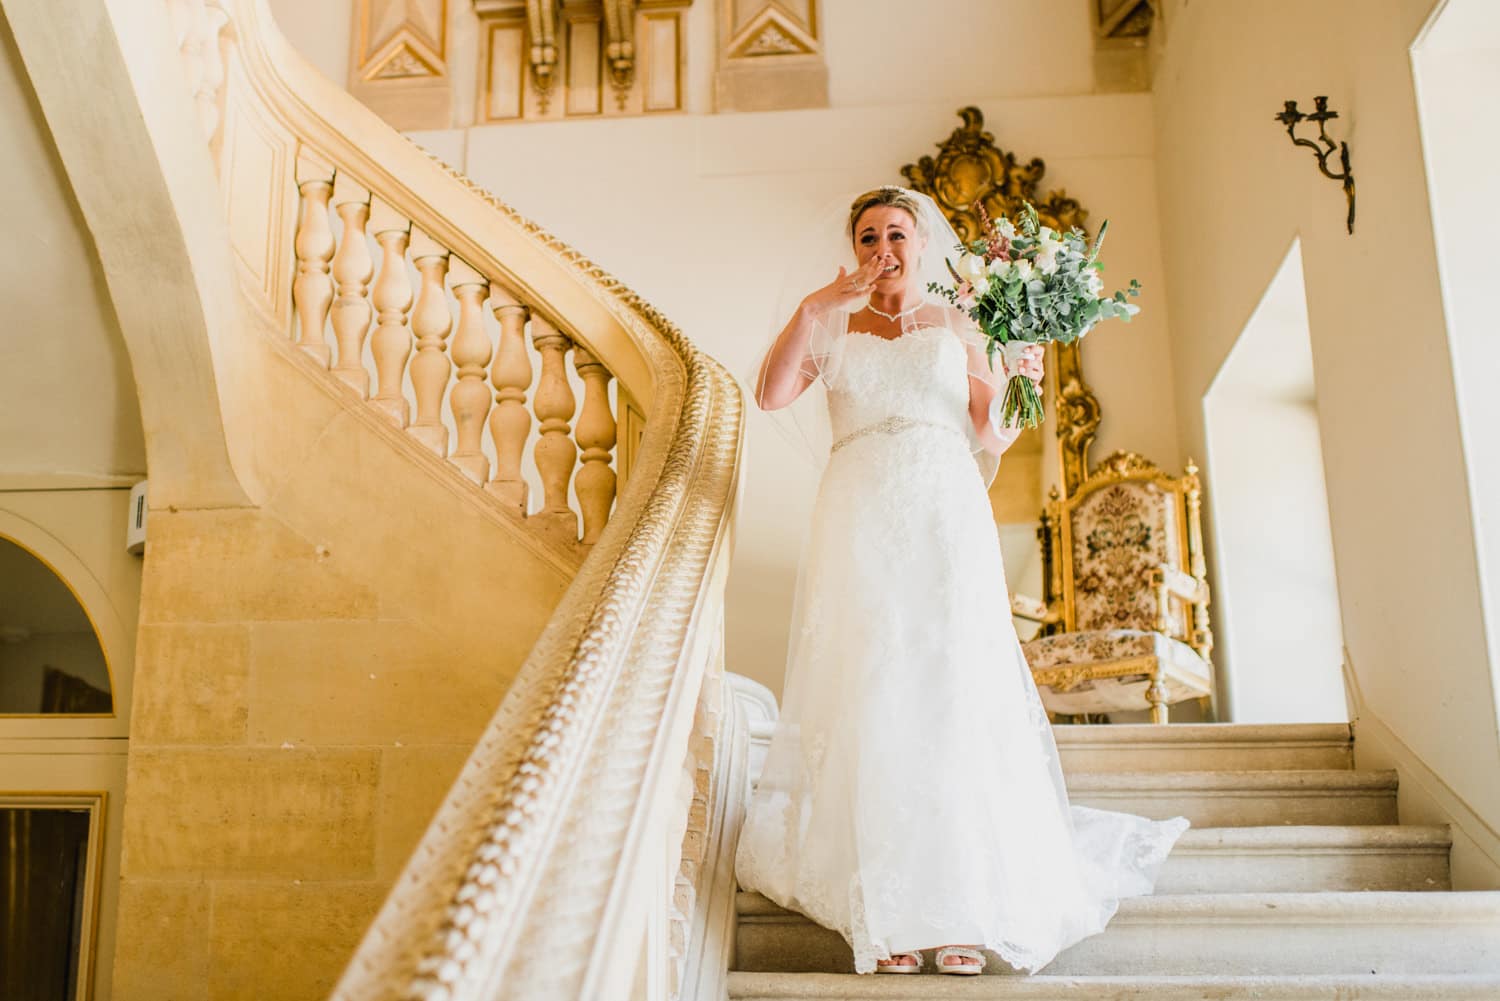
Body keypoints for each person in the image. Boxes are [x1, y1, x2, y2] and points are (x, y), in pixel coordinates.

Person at [734, 186, 1188, 976]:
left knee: (949, 687)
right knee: (876, 687)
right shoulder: (833, 327)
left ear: (921, 243)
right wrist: (813, 306)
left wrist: (1019, 381)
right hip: (860, 513)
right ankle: (890, 906)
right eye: (869, 234)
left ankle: (962, 906)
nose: (884, 247)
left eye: (897, 233)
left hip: (943, 509)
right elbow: (771, 394)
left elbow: (989, 431)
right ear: (854, 248)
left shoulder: (957, 323)